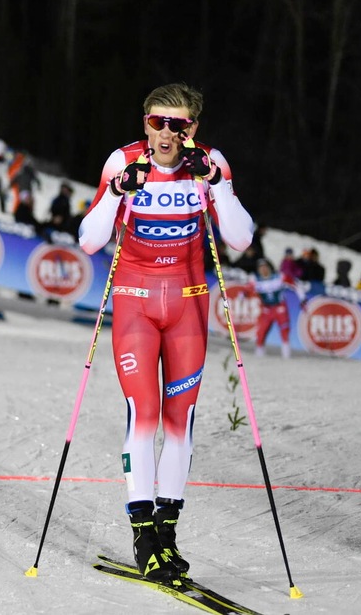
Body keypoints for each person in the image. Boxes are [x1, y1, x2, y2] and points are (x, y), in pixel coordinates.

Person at [78, 83, 253, 582]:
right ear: (145, 124)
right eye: (158, 123)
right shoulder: (124, 162)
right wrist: (116, 193)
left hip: (189, 307)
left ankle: (168, 534)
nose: (167, 135)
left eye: (179, 125)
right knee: (145, 415)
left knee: (182, 420)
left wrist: (218, 185)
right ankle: (143, 537)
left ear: (194, 128)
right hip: (135, 305)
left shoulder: (209, 164)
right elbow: (90, 241)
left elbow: (240, 237)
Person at [252, 258, 305, 358]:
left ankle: (286, 357)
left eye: (265, 267)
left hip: (280, 308)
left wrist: (302, 298)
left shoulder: (279, 277)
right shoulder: (255, 280)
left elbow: (295, 284)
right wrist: (241, 296)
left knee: (284, 331)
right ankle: (259, 357)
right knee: (261, 332)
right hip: (266, 310)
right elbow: (245, 291)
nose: (263, 270)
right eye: (260, 268)